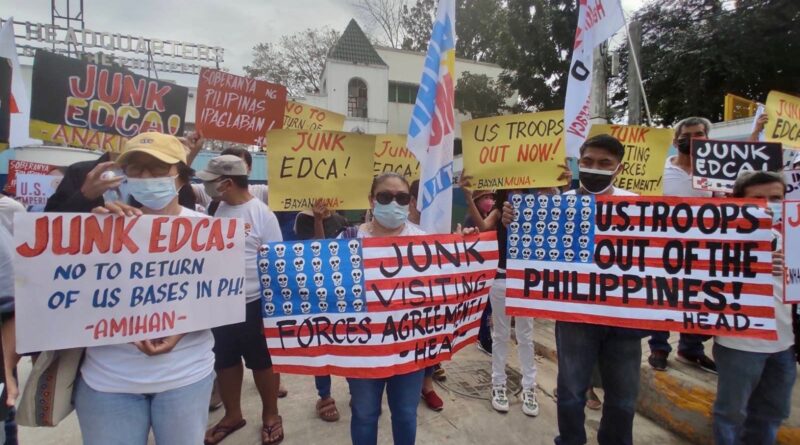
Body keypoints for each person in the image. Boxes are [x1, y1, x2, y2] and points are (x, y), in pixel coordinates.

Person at [501, 134, 644, 445]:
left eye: (604, 163)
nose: (595, 168)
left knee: (622, 399)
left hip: (624, 319)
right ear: (579, 163)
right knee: (569, 393)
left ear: (618, 168)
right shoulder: (559, 204)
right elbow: (532, 248)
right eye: (588, 162)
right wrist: (514, 220)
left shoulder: (636, 204)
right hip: (576, 318)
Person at [76, 132, 215, 445]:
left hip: (186, 377)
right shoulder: (96, 226)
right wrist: (84, 229)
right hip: (108, 382)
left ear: (180, 175)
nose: (146, 176)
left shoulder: (210, 233)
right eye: (136, 169)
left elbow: (220, 298)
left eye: (157, 168)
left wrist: (178, 328)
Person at [197, 156, 285, 445]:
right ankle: (233, 414)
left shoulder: (261, 214)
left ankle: (271, 415)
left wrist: (271, 313)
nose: (207, 186)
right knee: (225, 361)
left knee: (262, 363)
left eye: (212, 181)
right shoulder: (215, 207)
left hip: (254, 303)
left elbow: (276, 264)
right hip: (221, 302)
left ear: (227, 183)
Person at [342, 172, 427, 445]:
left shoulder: (425, 242)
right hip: (363, 348)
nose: (393, 203)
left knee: (405, 414)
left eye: (401, 197)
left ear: (410, 202)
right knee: (365, 413)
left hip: (409, 347)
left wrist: (467, 246)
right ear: (371, 200)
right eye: (384, 196)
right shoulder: (348, 239)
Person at [712, 171, 796, 445]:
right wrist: (746, 265)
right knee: (730, 416)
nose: (768, 204)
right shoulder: (719, 239)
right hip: (739, 347)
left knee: (771, 415)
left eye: (775, 198)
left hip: (783, 348)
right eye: (758, 198)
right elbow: (700, 281)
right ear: (739, 201)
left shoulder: (792, 239)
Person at [648, 117, 717, 373]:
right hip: (665, 246)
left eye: (699, 134)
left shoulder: (716, 173)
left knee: (701, 297)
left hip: (704, 248)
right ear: (677, 141)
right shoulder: (659, 171)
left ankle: (691, 348)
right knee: (662, 294)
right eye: (687, 135)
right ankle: (659, 347)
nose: (693, 139)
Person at [292, 199, 347, 423]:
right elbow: (316, 253)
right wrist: (317, 219)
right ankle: (324, 396)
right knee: (321, 344)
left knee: (350, 343)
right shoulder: (303, 219)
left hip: (343, 293)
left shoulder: (342, 220)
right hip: (315, 295)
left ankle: (357, 389)